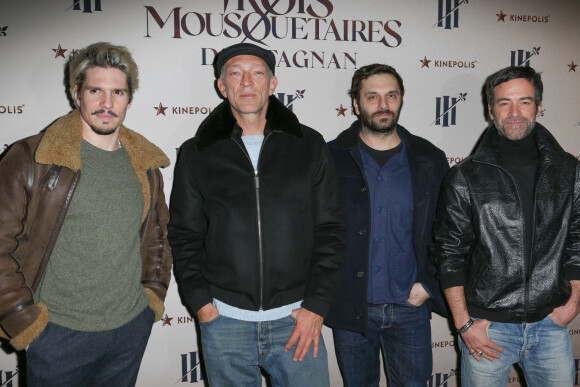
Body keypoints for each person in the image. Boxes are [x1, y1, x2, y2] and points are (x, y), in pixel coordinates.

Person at [168, 42, 345, 387]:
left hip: (297, 319)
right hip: (225, 323)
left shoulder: (309, 145)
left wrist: (317, 305)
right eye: (235, 73)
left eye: (257, 72)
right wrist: (201, 304)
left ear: (273, 83)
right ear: (222, 86)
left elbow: (332, 230)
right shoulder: (197, 153)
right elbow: (184, 234)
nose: (247, 81)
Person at [0, 42, 172, 386]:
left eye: (118, 92)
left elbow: (158, 239)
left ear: (129, 98)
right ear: (76, 93)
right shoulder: (32, 158)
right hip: (56, 335)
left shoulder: (145, 164)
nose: (107, 104)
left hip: (128, 332)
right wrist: (25, 324)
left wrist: (151, 299)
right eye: (96, 90)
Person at [431, 66, 580, 386]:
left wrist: (574, 299)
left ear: (539, 106)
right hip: (487, 326)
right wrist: (464, 324)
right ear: (490, 110)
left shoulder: (569, 169)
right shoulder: (466, 176)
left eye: (524, 102)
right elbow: (449, 253)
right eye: (504, 103)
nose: (514, 112)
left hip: (550, 324)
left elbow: (578, 237)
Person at [325, 64, 450, 386]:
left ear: (401, 100)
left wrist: (428, 285)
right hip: (353, 306)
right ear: (356, 104)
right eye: (372, 96)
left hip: (410, 306)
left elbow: (449, 230)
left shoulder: (429, 158)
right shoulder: (330, 159)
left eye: (391, 95)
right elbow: (318, 231)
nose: (383, 105)